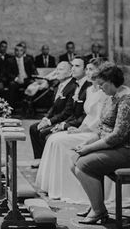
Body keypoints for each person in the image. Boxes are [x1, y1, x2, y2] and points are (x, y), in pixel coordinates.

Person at [71, 63, 130, 224]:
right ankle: (96, 204)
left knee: (84, 166)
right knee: (74, 161)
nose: (99, 87)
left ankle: (99, 211)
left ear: (112, 81)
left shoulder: (127, 100)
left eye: (102, 84)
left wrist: (88, 149)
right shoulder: (110, 97)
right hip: (118, 147)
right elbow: (102, 129)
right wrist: (86, 143)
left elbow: (117, 136)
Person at [35, 60, 110, 202]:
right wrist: (78, 129)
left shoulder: (103, 92)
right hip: (85, 128)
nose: (88, 72)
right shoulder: (89, 90)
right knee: (52, 138)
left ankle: (68, 188)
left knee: (57, 140)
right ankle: (53, 185)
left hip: (96, 132)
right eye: (86, 69)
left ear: (100, 73)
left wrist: (81, 130)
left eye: (91, 69)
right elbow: (88, 116)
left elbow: (100, 119)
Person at [29, 61, 77, 166]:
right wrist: (45, 119)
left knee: (43, 132)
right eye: (57, 69)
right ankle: (39, 158)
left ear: (70, 72)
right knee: (33, 128)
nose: (57, 72)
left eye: (61, 69)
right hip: (55, 118)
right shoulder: (58, 85)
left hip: (65, 120)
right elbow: (54, 106)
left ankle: (48, 162)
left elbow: (67, 112)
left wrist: (49, 122)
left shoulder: (72, 87)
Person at [5, 43, 37, 109]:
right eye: (17, 50)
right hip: (16, 80)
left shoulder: (28, 60)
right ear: (14, 51)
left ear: (23, 51)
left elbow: (33, 70)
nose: (19, 52)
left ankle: (31, 108)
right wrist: (16, 79)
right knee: (11, 85)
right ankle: (11, 108)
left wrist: (34, 76)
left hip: (26, 79)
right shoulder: (10, 60)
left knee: (33, 84)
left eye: (21, 50)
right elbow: (8, 73)